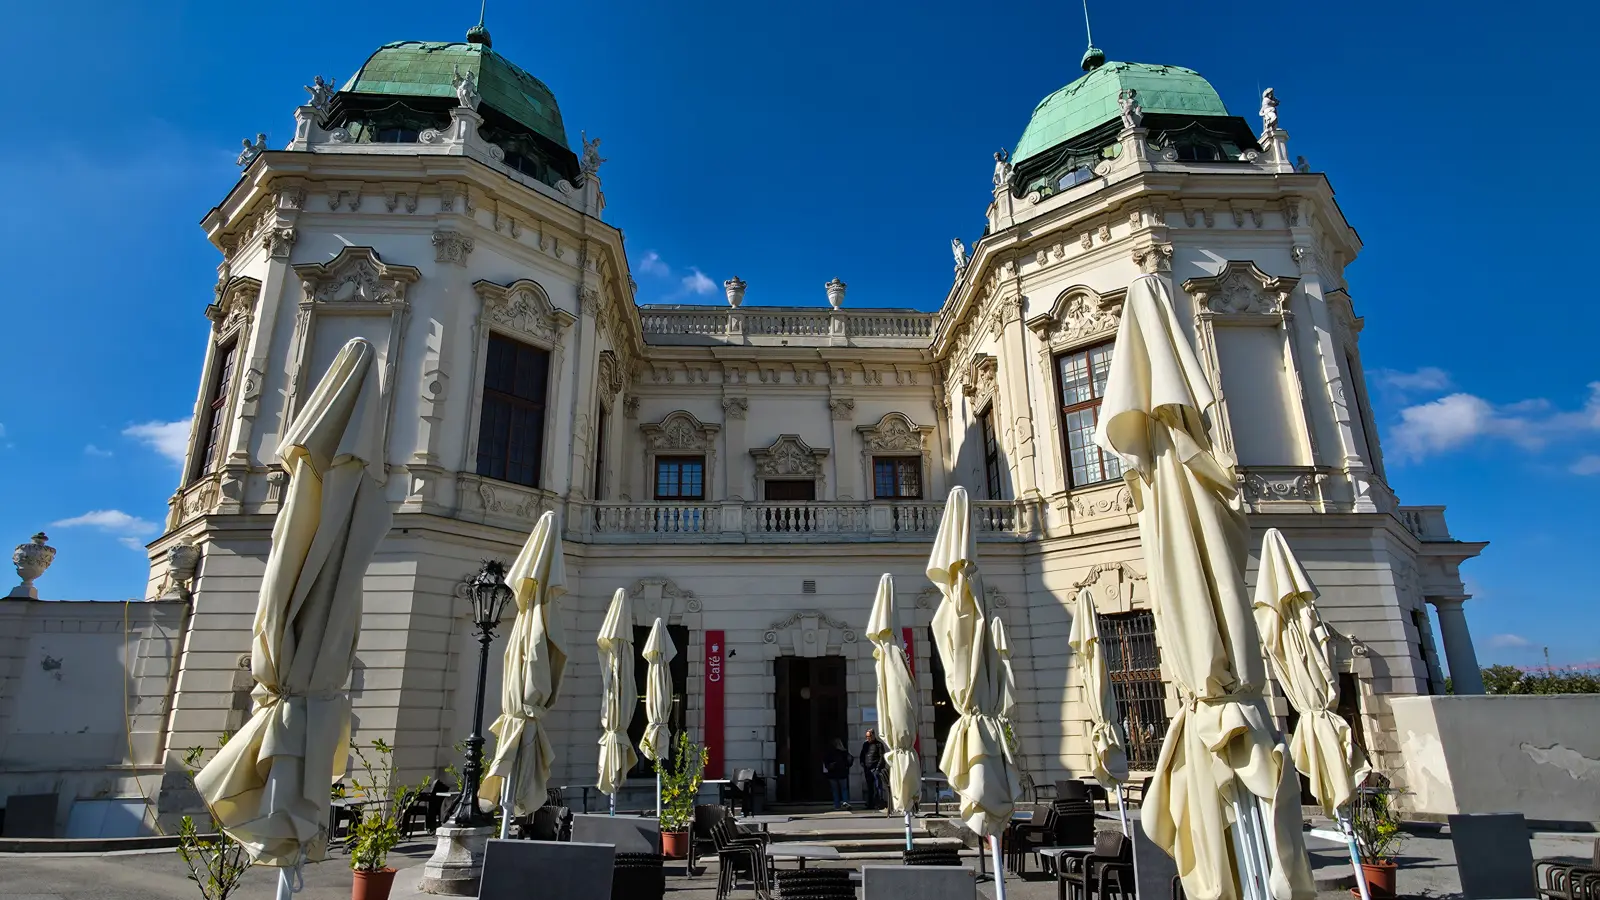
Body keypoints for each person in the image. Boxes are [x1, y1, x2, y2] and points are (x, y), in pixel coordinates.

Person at [859, 729, 888, 810]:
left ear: (873, 735)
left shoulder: (879, 744)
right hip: (867, 769)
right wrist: (862, 763)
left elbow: (882, 757)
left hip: (875, 768)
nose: (868, 738)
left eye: (869, 736)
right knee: (870, 787)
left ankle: (879, 803)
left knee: (878, 786)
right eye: (867, 736)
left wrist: (878, 767)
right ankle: (870, 803)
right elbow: (862, 755)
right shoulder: (865, 745)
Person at [823, 738, 852, 811]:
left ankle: (837, 805)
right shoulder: (844, 752)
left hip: (832, 774)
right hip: (842, 773)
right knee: (844, 789)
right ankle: (845, 802)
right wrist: (846, 767)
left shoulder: (829, 752)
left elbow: (825, 761)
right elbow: (850, 760)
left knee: (835, 790)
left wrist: (829, 767)